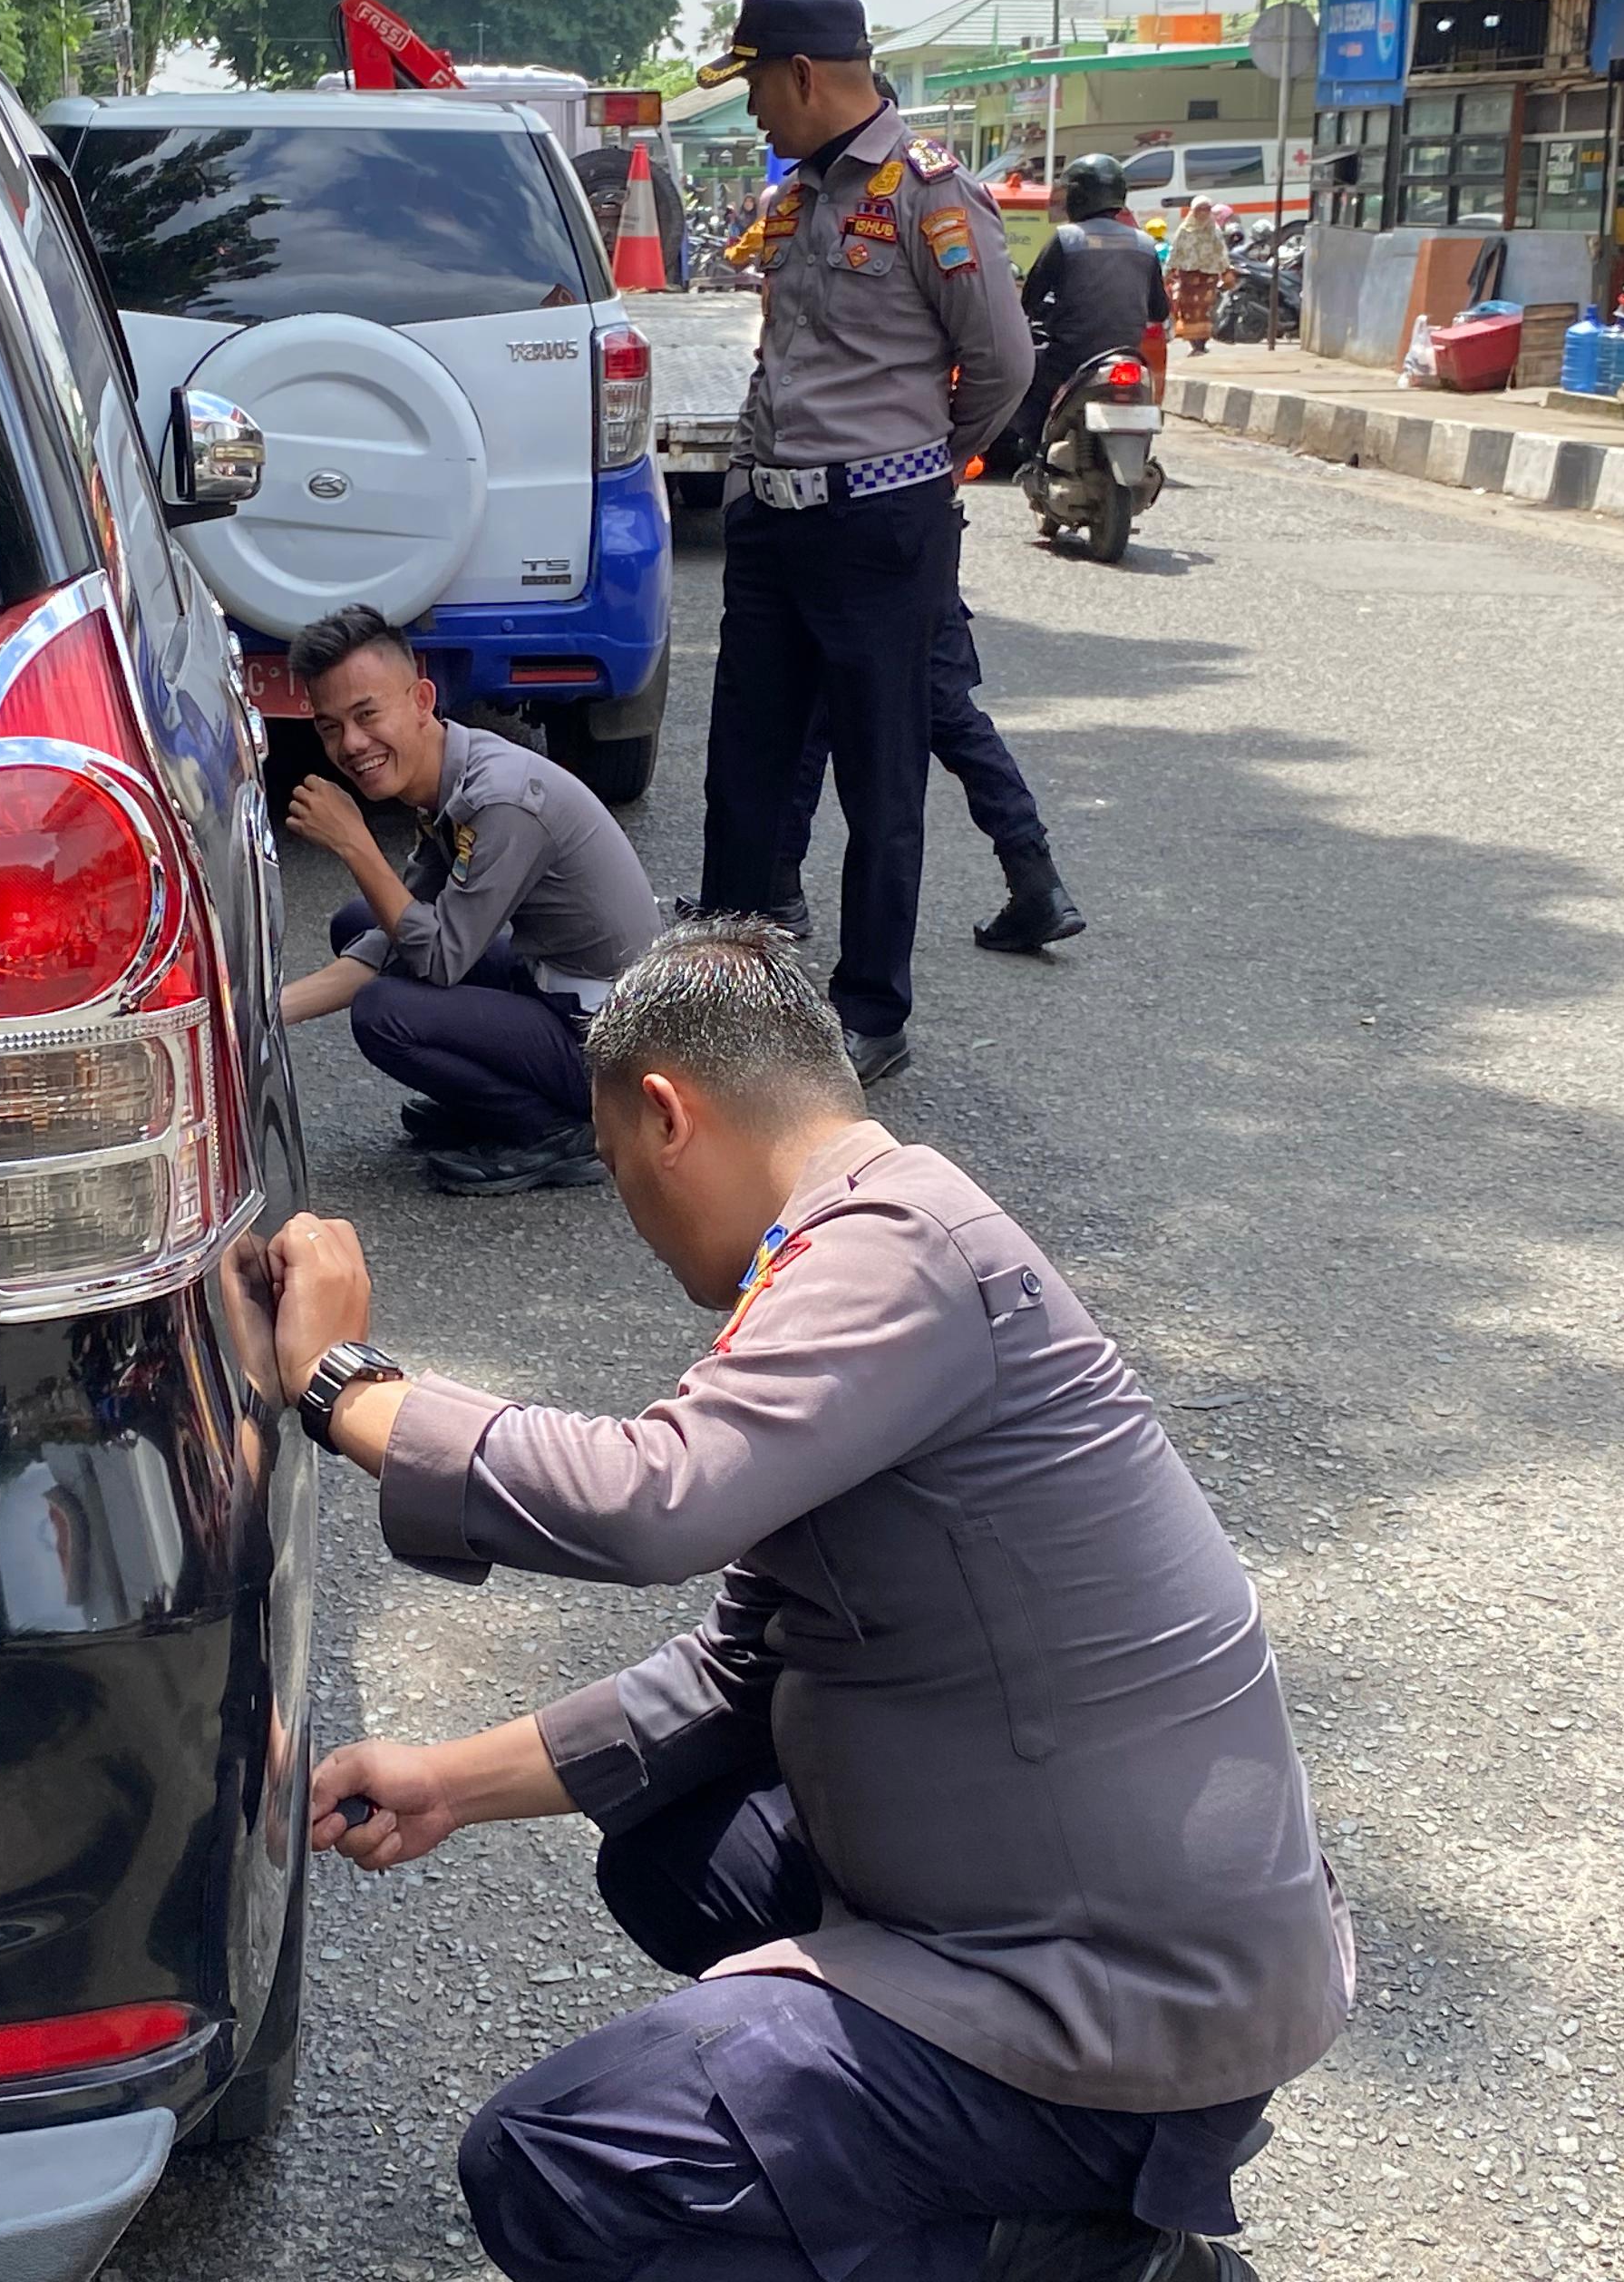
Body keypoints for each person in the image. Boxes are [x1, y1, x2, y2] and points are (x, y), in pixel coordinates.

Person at [260, 923, 1353, 2282]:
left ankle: (1093, 2251)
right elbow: (743, 1668)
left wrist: (345, 1389)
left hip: (1129, 1987)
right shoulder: (858, 1245)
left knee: (560, 2157)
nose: (631, 1219)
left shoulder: (896, 1247)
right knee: (670, 1849)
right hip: (1053, 1902)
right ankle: (984, 2182)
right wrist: (445, 1783)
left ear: (666, 1113)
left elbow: (656, 1498)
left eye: (611, 1167)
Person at [688, 0, 1035, 1089]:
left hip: (882, 525)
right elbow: (780, 360)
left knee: (881, 780)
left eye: (755, 86)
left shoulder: (933, 196)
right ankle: (730, 994)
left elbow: (1002, 368)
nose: (750, 112)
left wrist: (924, 466)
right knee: (745, 766)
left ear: (803, 74)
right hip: (775, 523)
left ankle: (869, 1009)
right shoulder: (800, 198)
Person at [277, 605, 661, 1195]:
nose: (352, 744)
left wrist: (356, 844)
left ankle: (555, 1130)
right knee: (360, 924)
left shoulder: (500, 799)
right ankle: (499, 1103)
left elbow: (440, 959)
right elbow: (397, 930)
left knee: (383, 1012)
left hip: (612, 1045)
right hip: (557, 983)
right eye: (330, 727)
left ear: (422, 699)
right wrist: (262, 1013)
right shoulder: (448, 770)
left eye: (367, 714)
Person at [767, 571, 1085, 953]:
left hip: (850, 543)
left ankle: (776, 883)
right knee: (950, 714)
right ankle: (1035, 876)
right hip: (922, 547)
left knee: (811, 698)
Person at [1018, 156, 1170, 448]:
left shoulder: (1066, 239)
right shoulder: (1145, 244)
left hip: (1070, 357)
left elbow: (1030, 299)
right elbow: (1159, 309)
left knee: (1027, 384)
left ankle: (1036, 452)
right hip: (1127, 354)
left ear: (1079, 194)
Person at [1162, 196, 1232, 356]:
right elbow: (1175, 251)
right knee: (1188, 310)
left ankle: (1202, 343)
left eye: (1207, 209)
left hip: (1208, 276)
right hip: (1188, 276)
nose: (1203, 213)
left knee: (1205, 309)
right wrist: (1169, 271)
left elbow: (1220, 251)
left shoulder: (1213, 230)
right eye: (1200, 209)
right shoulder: (1185, 230)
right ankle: (1194, 343)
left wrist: (1225, 270)